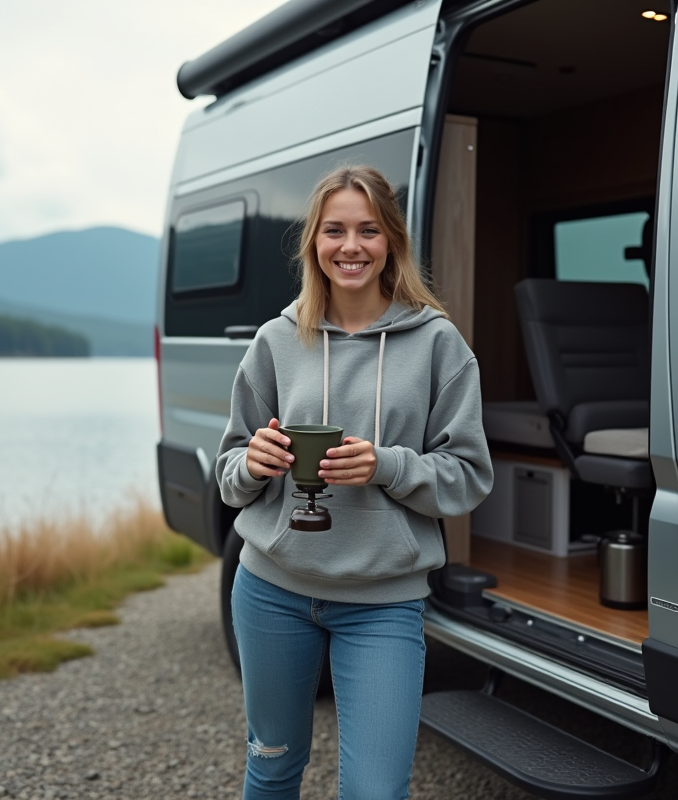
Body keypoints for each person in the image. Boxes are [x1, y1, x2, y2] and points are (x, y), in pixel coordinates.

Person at [215, 164, 494, 799]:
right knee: (272, 766)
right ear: (314, 241)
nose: (351, 246)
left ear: (391, 240)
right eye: (334, 230)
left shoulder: (438, 345)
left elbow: (470, 477)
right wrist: (252, 463)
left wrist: (387, 465)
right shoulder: (276, 341)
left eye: (368, 230)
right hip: (270, 591)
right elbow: (230, 474)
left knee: (375, 791)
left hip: (383, 604)